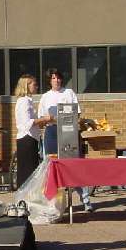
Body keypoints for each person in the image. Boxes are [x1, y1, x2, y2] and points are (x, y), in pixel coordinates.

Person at [37, 68, 93, 212]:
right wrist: (48, 119)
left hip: (68, 132)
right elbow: (41, 119)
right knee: (51, 166)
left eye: (58, 77)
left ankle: (86, 199)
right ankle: (54, 203)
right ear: (49, 80)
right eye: (53, 78)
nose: (56, 80)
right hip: (51, 132)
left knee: (73, 166)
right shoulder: (45, 97)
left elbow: (77, 114)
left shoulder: (69, 93)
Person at [14, 74, 49, 188]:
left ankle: (27, 195)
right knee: (27, 173)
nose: (36, 87)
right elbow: (27, 123)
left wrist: (41, 122)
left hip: (31, 138)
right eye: (34, 84)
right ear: (27, 85)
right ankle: (25, 196)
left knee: (30, 171)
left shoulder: (27, 101)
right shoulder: (24, 101)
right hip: (27, 139)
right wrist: (44, 119)